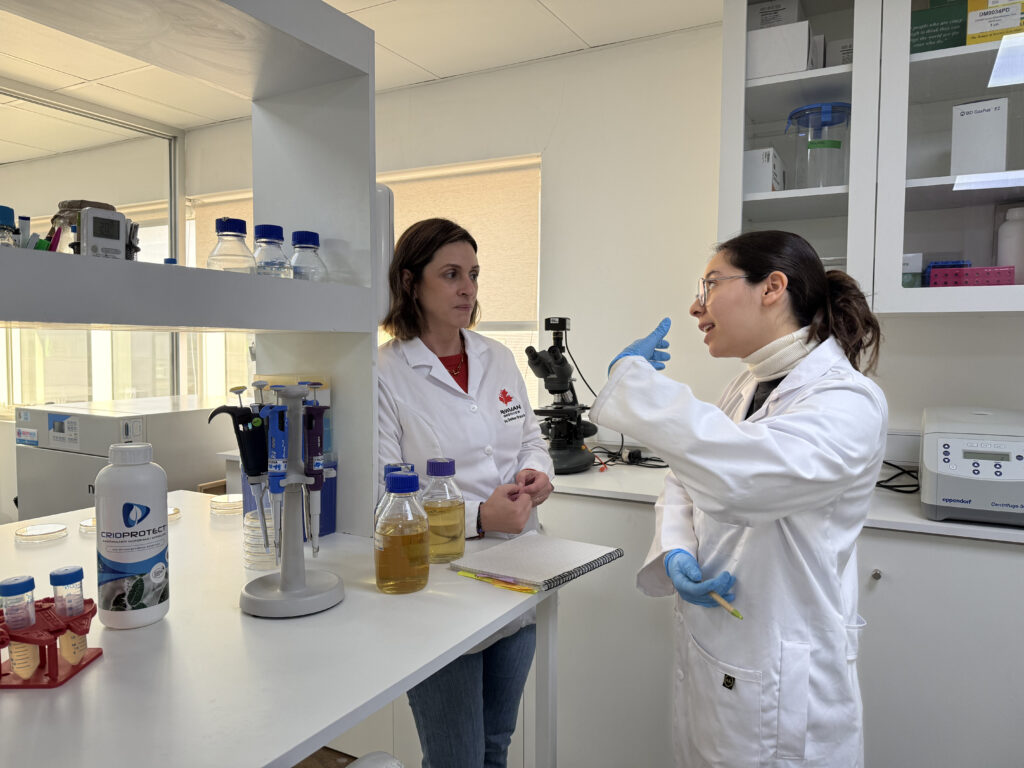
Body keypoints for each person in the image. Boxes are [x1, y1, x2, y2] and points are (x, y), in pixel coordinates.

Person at [589, 230, 887, 768]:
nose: (695, 306)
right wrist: (677, 547)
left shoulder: (846, 401)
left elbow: (740, 482)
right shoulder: (745, 385)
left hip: (784, 678)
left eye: (710, 284)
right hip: (720, 654)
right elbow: (685, 473)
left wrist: (635, 386)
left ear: (771, 288)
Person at [377, 217, 554, 768]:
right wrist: (479, 517)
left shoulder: (497, 357)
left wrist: (537, 473)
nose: (467, 288)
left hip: (519, 571)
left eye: (473, 274)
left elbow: (530, 438)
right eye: (451, 274)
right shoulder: (384, 372)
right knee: (455, 759)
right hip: (441, 583)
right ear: (411, 282)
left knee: (496, 746)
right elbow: (384, 491)